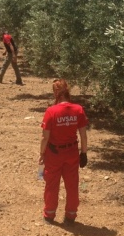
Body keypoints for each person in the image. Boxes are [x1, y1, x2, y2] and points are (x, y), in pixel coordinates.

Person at [38, 78, 88, 224]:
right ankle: (71, 215)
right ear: (68, 91)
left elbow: (44, 137)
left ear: (55, 93)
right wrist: (84, 153)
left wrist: (42, 154)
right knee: (72, 185)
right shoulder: (78, 109)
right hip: (72, 153)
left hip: (54, 154)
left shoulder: (51, 111)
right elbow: (83, 135)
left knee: (52, 184)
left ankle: (49, 215)